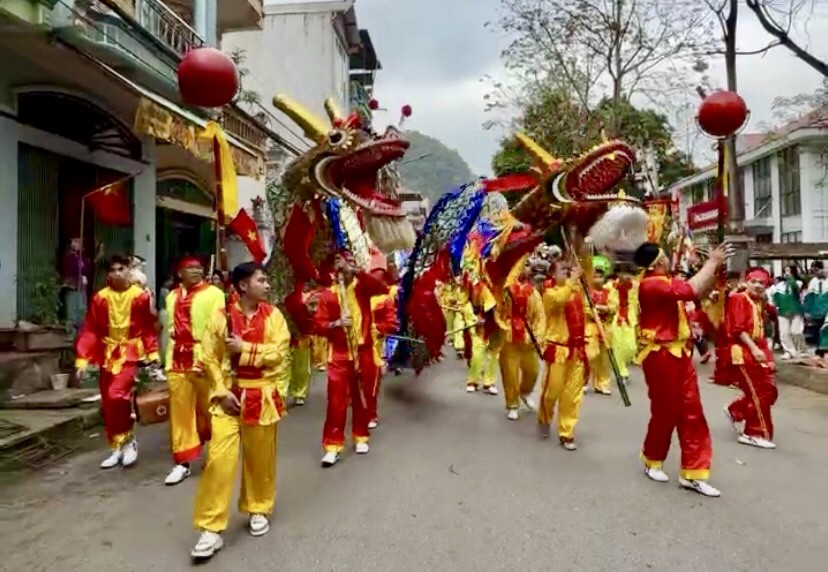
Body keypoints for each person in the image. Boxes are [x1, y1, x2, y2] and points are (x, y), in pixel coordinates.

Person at [190, 262, 290, 559]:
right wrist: (220, 391)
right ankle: (210, 527)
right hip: (228, 398)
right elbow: (208, 357)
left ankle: (258, 507)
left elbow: (279, 354)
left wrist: (245, 348)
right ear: (243, 286)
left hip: (262, 395)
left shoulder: (274, 316)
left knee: (261, 460)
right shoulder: (221, 317)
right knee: (219, 461)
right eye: (262, 280)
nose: (268, 285)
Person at [634, 241, 729, 497]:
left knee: (693, 412)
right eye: (664, 257)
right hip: (660, 354)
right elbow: (690, 289)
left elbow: (697, 294)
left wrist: (716, 268)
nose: (667, 260)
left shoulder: (665, 281)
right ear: (656, 262)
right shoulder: (652, 284)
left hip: (680, 353)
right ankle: (652, 458)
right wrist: (711, 262)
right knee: (665, 412)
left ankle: (694, 473)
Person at [75, 255, 159, 469]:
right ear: (108, 274)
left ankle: (129, 440)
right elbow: (91, 329)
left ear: (129, 270)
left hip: (129, 351)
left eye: (121, 269)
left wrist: (152, 353)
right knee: (108, 400)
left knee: (117, 395)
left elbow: (148, 327)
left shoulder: (140, 296)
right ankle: (116, 446)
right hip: (107, 353)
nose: (117, 273)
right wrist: (83, 359)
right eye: (113, 270)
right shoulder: (100, 298)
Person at [311, 250, 388, 467]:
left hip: (362, 351)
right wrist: (334, 325)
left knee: (362, 396)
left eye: (349, 261)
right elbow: (317, 324)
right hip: (338, 354)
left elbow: (380, 288)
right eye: (340, 261)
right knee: (336, 401)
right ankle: (332, 445)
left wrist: (354, 270)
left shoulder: (363, 288)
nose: (344, 265)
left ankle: (361, 435)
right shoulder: (328, 295)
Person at [163, 257, 226, 486]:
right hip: (176, 359)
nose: (197, 271)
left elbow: (218, 328)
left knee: (209, 408)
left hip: (203, 356)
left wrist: (208, 358)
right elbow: (169, 329)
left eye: (199, 267)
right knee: (180, 413)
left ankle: (216, 449)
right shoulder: (170, 297)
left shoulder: (215, 295)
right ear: (180, 273)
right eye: (190, 268)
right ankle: (182, 461)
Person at [723, 268, 779, 450]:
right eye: (754, 281)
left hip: (756, 347)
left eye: (762, 283)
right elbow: (739, 329)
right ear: (746, 282)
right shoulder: (738, 298)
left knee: (767, 389)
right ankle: (752, 432)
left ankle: (736, 410)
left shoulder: (758, 301)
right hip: (743, 350)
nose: (757, 285)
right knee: (759, 391)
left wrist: (765, 353)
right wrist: (755, 350)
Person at [538, 256, 588, 451]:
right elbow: (560, 299)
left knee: (572, 395)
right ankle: (544, 417)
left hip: (577, 351)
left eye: (569, 270)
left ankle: (567, 432)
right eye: (563, 270)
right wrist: (572, 280)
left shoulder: (578, 291)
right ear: (552, 274)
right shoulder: (550, 293)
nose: (567, 273)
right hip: (558, 350)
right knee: (552, 392)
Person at [497, 259, 544, 420]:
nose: (526, 268)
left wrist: (537, 335)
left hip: (527, 337)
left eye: (528, 265)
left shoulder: (533, 292)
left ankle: (525, 392)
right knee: (510, 373)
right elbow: (497, 310)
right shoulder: (505, 290)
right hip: (509, 336)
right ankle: (512, 404)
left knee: (533, 371)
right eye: (523, 265)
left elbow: (539, 316)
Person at [587, 267, 616, 395]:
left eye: (600, 276)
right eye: (595, 276)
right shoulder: (587, 291)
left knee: (604, 358)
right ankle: (583, 381)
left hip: (605, 326)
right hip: (591, 326)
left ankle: (603, 384)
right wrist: (593, 312)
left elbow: (614, 306)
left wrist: (601, 308)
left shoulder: (609, 292)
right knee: (590, 355)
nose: (598, 279)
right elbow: (584, 308)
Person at [607, 267, 639, 382]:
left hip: (630, 319)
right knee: (618, 346)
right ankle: (621, 372)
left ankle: (621, 366)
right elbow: (607, 301)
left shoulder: (636, 286)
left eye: (628, 273)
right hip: (616, 318)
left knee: (631, 347)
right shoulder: (610, 286)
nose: (626, 276)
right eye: (623, 273)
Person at [771, 265, 804, 359]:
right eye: (785, 271)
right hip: (782, 311)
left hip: (796, 310)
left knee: (796, 331)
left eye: (789, 271)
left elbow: (796, 290)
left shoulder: (798, 282)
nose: (787, 273)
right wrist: (776, 306)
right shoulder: (779, 285)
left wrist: (791, 279)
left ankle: (799, 350)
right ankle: (788, 351)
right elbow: (775, 296)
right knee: (784, 333)